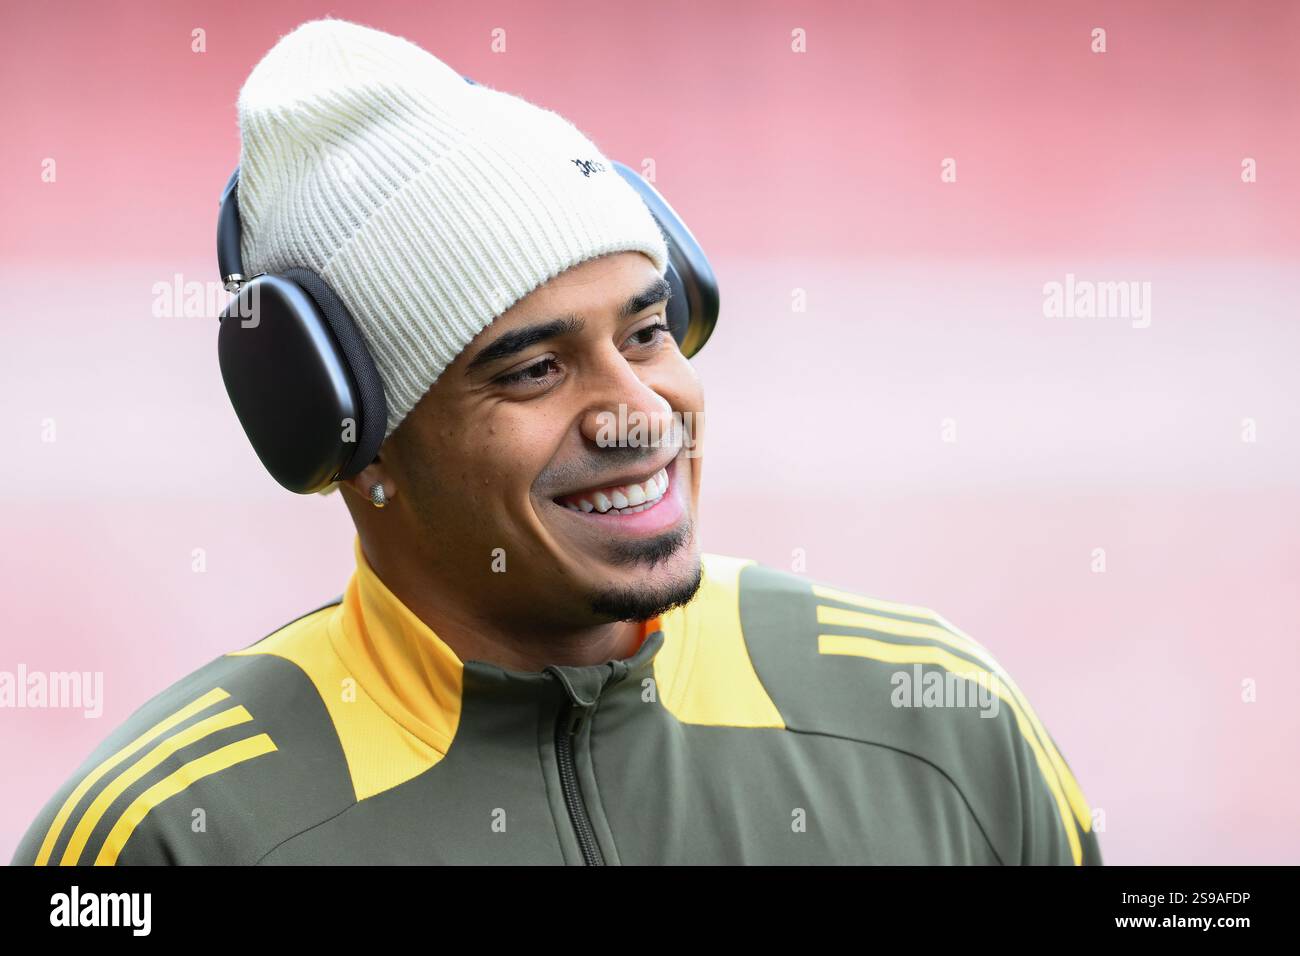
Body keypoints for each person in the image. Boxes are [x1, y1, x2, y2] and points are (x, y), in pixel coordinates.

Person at [12, 17, 1101, 866]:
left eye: (648, 330)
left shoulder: (939, 719)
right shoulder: (165, 832)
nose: (639, 408)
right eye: (534, 368)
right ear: (349, 437)